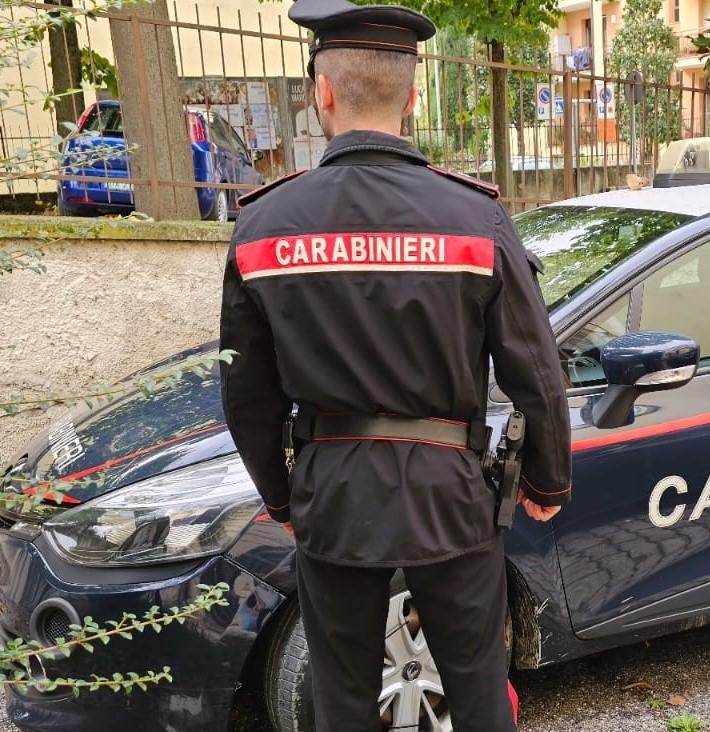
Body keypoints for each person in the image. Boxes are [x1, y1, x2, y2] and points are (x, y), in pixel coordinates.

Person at [218, 0, 572, 729]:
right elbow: (534, 367)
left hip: (332, 491)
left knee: (341, 698)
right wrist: (546, 476)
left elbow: (245, 391)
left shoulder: (262, 226)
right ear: (413, 98)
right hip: (450, 494)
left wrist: (283, 498)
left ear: (322, 93)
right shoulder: (473, 218)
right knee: (476, 685)